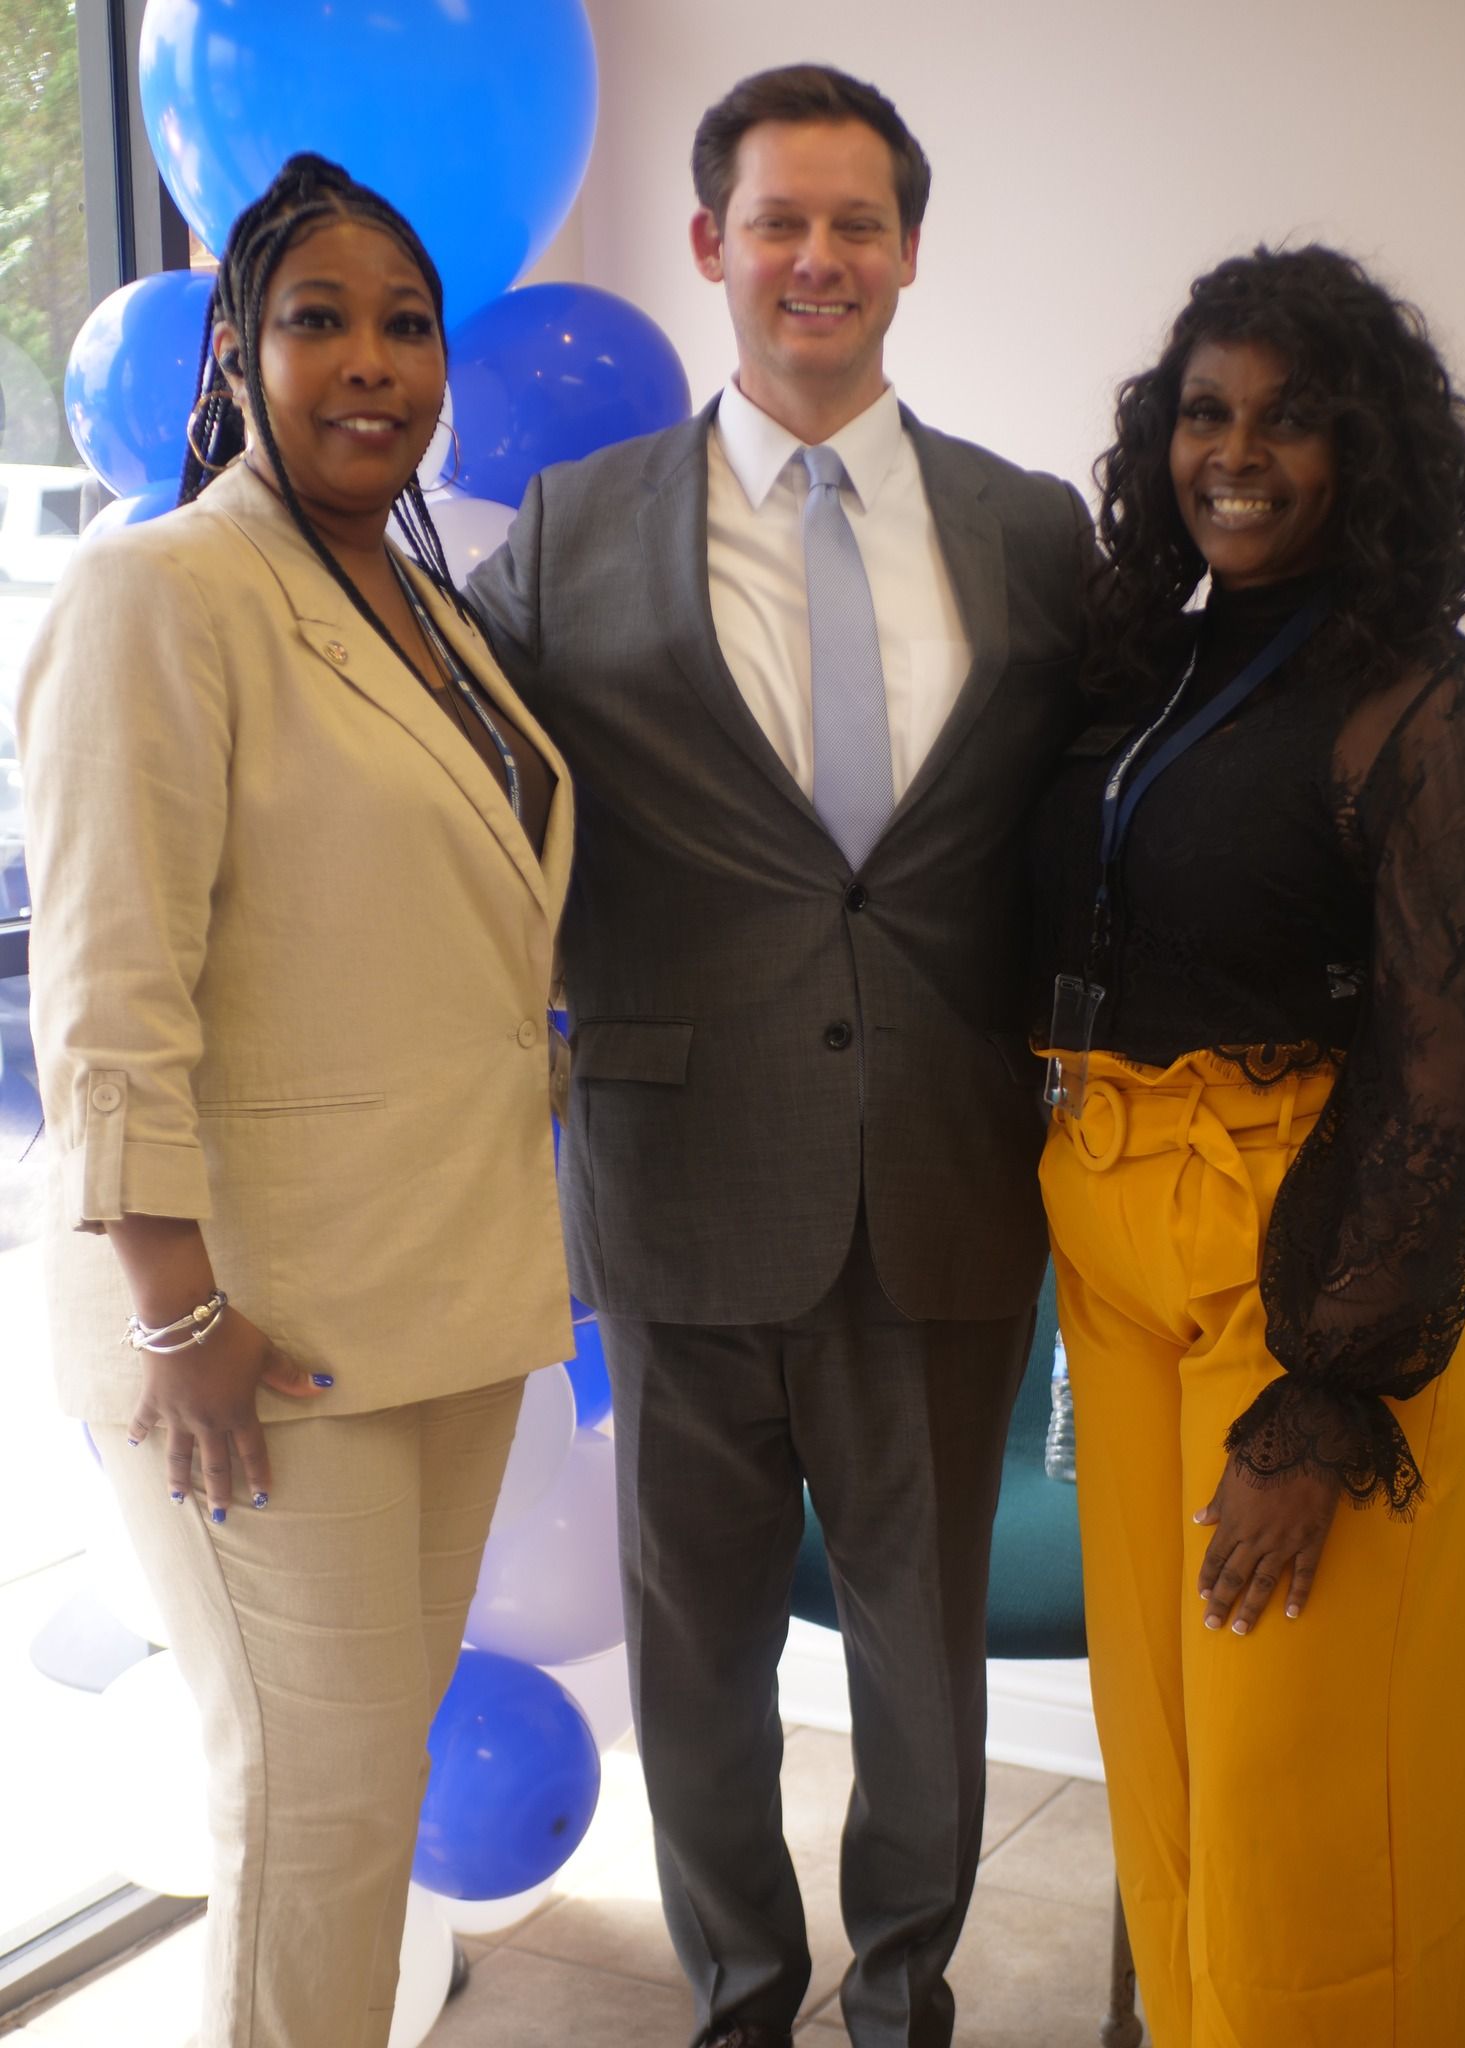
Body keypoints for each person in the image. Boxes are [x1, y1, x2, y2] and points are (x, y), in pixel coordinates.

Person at [470, 62, 1093, 2048]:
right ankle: (741, 1996)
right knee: (701, 1657)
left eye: (856, 223)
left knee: (923, 1659)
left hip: (944, 1175)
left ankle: (904, 1995)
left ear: (908, 252)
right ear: (708, 243)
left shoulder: (1032, 533)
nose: (817, 257)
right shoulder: (572, 531)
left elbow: (1104, 818)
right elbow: (442, 790)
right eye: (778, 221)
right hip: (677, 1183)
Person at [19, 155, 573, 2048]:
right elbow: (109, 988)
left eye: (405, 326)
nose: (370, 362)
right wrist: (179, 1316)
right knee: (312, 1810)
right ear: (236, 356)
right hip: (250, 1329)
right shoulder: (160, 590)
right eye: (317, 320)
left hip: (442, 1299)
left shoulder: (430, 608)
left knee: (363, 1796)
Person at [1030, 244, 1465, 2048]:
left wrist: (1326, 1396)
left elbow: (1464, 1078)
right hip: (1116, 1240)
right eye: (1205, 413)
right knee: (1168, 1768)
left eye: (1291, 418)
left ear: (1367, 450)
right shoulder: (1148, 669)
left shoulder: (1441, 696)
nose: (1236, 454)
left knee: (1297, 1801)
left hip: (1314, 1265)